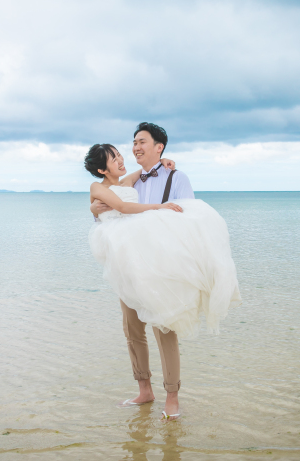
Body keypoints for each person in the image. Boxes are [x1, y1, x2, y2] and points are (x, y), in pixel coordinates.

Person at [86, 123, 241, 420]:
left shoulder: (176, 177)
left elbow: (192, 220)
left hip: (163, 268)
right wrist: (95, 209)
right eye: (133, 142)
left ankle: (172, 397)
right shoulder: (128, 183)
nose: (135, 147)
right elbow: (112, 211)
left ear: (159, 147)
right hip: (130, 267)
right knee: (132, 329)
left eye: (142, 142)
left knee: (165, 329)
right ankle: (144, 390)